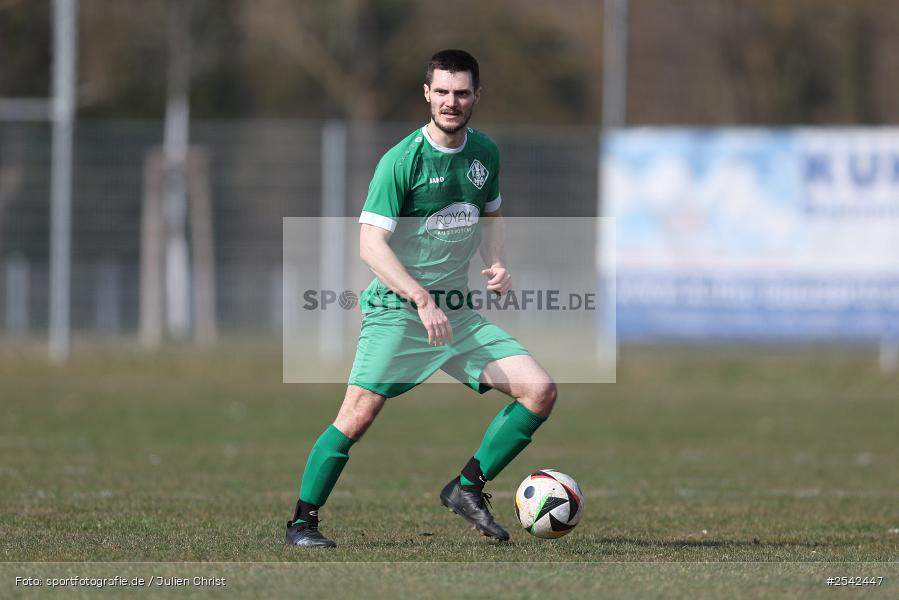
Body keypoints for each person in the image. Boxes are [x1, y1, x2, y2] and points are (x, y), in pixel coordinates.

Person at [286, 49, 557, 547]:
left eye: (462, 93)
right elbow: (370, 244)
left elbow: (491, 217)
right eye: (443, 92)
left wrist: (494, 264)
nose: (451, 102)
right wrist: (418, 297)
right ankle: (303, 522)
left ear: (476, 96)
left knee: (539, 390)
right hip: (398, 313)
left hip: (458, 316)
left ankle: (467, 488)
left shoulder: (485, 155)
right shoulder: (401, 161)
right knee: (358, 413)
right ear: (427, 93)